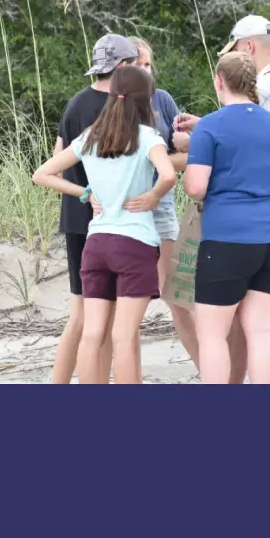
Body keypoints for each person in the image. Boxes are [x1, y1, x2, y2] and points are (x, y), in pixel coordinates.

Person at [175, 15, 270, 384]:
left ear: (219, 81)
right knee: (260, 329)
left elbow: (195, 187)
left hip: (228, 240)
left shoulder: (210, 126)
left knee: (212, 333)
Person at [33, 63, 176, 384]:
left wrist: (84, 192)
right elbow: (168, 174)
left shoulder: (89, 138)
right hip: (134, 244)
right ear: (144, 101)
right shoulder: (148, 136)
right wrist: (153, 197)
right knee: (123, 336)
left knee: (92, 333)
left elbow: (41, 174)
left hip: (96, 244)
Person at [90, 37, 198, 370]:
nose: (145, 71)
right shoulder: (109, 104)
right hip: (117, 211)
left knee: (176, 295)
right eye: (138, 64)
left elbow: (187, 156)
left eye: (149, 64)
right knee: (119, 307)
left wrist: (162, 159)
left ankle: (211, 373)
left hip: (160, 204)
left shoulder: (162, 101)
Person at [49, 33, 141, 384]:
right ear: (121, 67)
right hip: (112, 223)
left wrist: (81, 192)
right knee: (104, 317)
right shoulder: (121, 107)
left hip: (75, 219)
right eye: (132, 66)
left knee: (82, 315)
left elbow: (57, 159)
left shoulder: (74, 104)